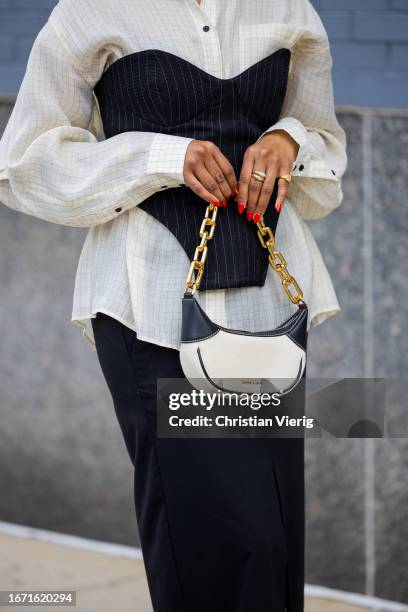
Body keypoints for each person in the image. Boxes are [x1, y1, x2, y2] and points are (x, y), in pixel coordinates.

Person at [0, 0, 347, 610]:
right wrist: (160, 158)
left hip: (270, 315)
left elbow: (323, 148)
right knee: (214, 542)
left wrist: (288, 139)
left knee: (271, 538)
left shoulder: (289, 9)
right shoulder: (90, 12)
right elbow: (25, 165)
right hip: (149, 310)